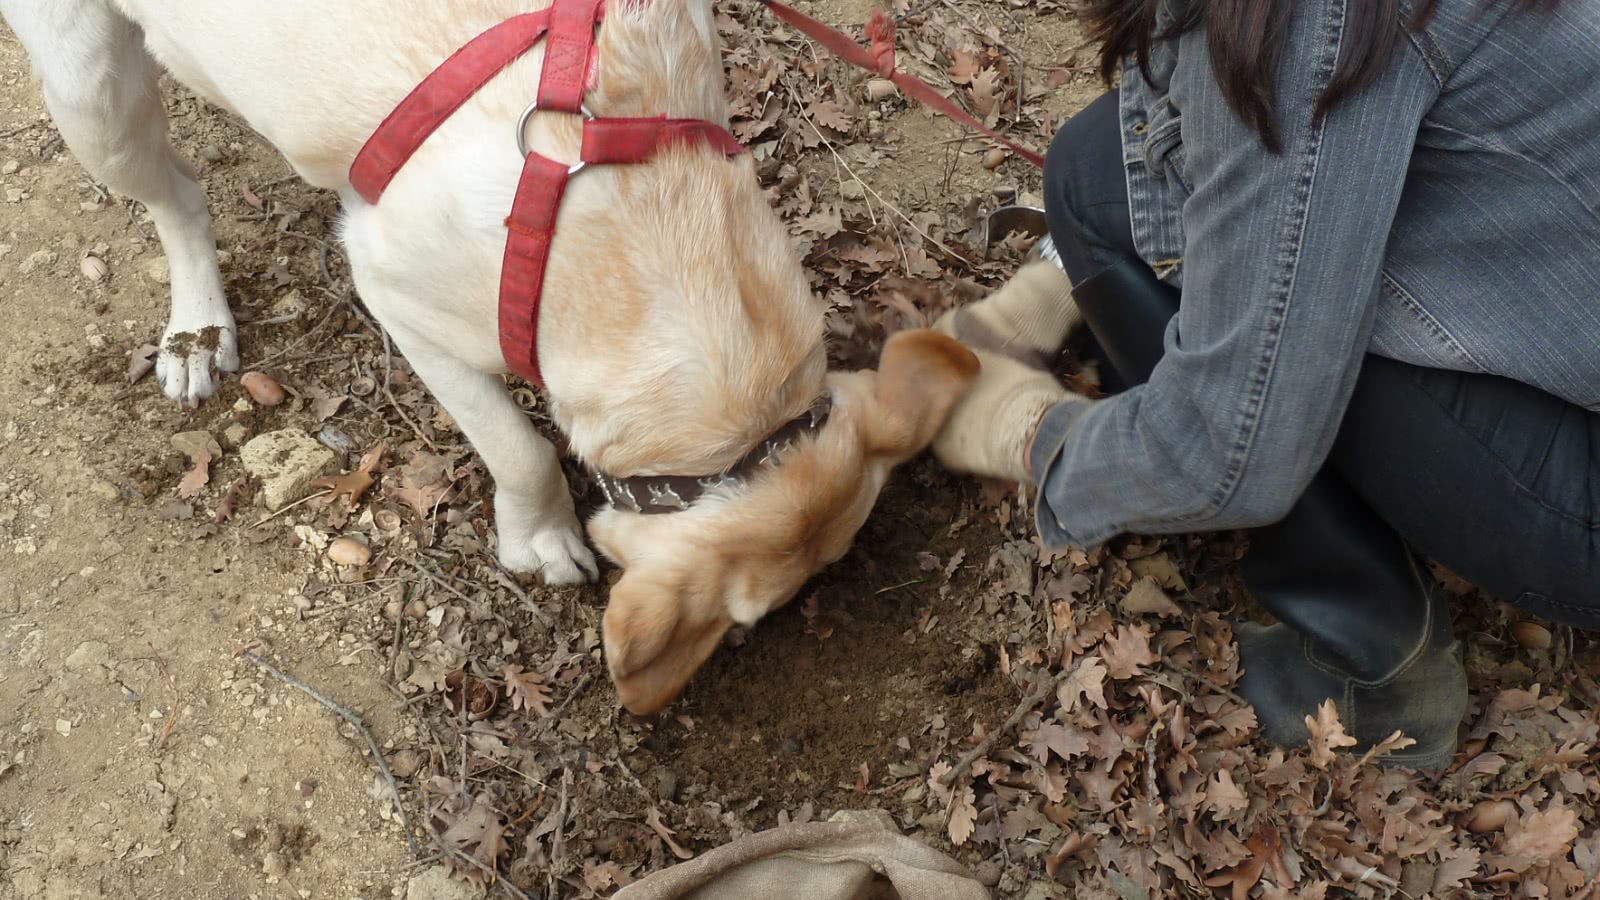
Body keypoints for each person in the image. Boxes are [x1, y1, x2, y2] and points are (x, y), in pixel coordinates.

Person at [930, 0, 1600, 767]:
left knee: (1270, 379)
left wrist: (1025, 434)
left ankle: (1376, 679)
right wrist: (1057, 282)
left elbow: (1229, 445)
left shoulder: (1300, 23)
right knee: (1093, 169)